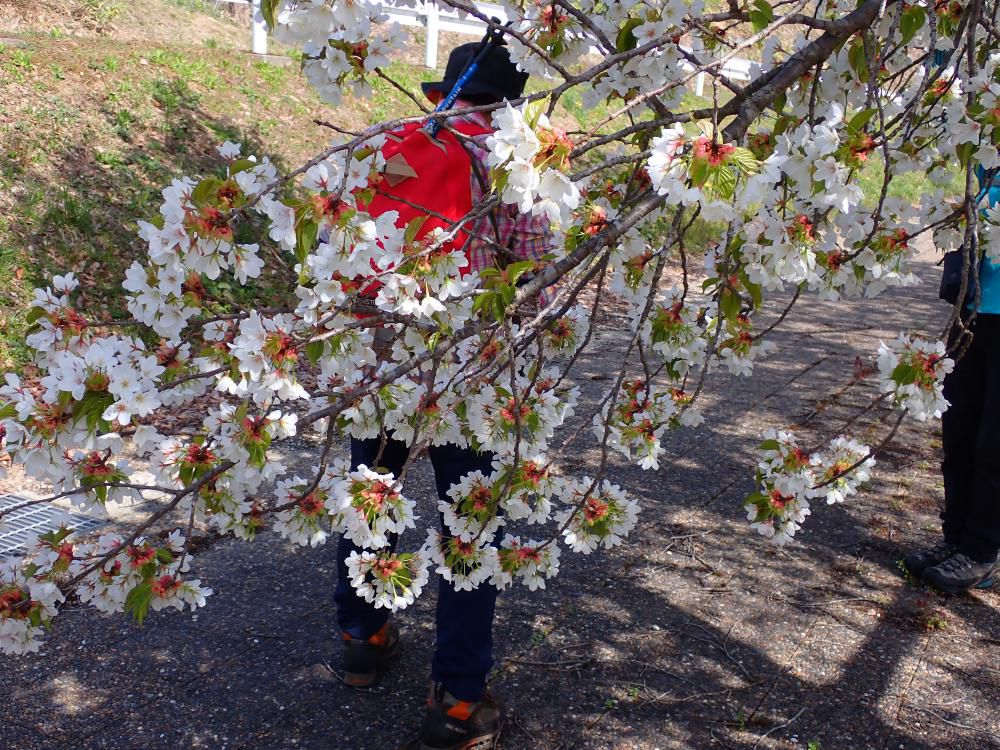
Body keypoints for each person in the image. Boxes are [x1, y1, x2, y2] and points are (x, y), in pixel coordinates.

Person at [332, 42, 552, 750]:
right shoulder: (512, 160)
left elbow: (345, 251)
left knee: (373, 499)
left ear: (444, 94)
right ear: (509, 104)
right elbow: (537, 270)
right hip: (467, 378)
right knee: (469, 531)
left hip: (383, 366)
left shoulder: (386, 147)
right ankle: (457, 700)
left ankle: (362, 638)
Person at [903, 170, 1000, 594]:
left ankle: (982, 551)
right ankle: (956, 537)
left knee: (993, 442)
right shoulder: (986, 141)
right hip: (973, 307)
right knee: (957, 430)